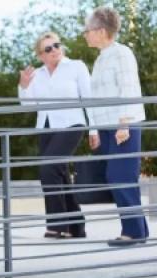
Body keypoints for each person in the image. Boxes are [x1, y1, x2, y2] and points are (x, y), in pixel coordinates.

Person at [83, 6, 149, 246]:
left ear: (101, 31)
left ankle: (133, 232)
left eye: (87, 30)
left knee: (120, 176)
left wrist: (124, 124)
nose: (85, 34)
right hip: (107, 128)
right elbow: (95, 99)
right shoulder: (101, 58)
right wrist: (94, 129)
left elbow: (128, 89)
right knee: (118, 176)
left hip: (124, 126)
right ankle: (138, 230)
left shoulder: (122, 54)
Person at [18, 32, 93, 239]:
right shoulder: (38, 75)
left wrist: (93, 129)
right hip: (46, 128)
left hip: (72, 124)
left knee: (48, 168)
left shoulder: (76, 66)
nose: (54, 50)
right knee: (59, 174)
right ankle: (77, 226)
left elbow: (90, 99)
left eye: (57, 45)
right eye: (48, 49)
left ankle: (59, 225)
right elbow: (28, 106)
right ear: (41, 55)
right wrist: (24, 87)